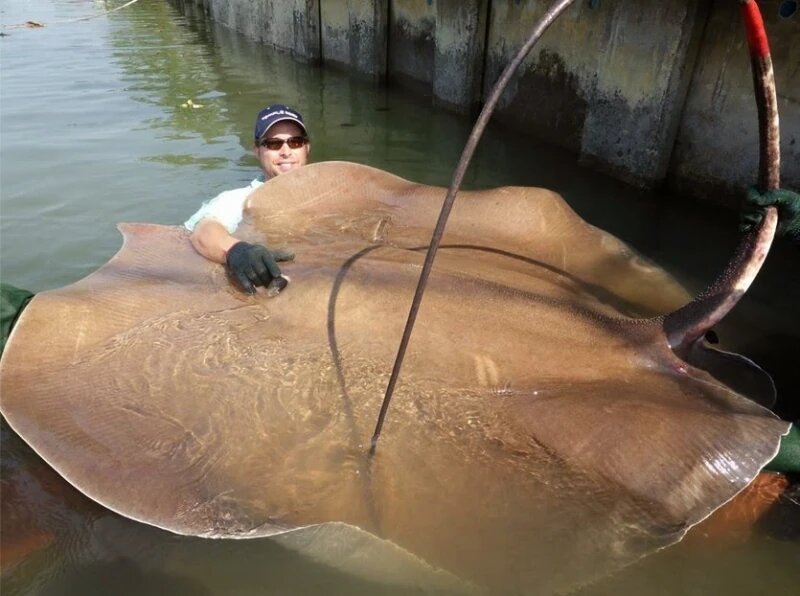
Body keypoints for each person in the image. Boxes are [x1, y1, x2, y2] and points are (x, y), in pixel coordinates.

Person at [184, 104, 312, 294]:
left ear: (306, 147)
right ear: (257, 150)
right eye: (274, 144)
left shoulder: (336, 191)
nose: (286, 152)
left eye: (295, 142)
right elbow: (204, 232)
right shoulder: (238, 199)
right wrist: (236, 251)